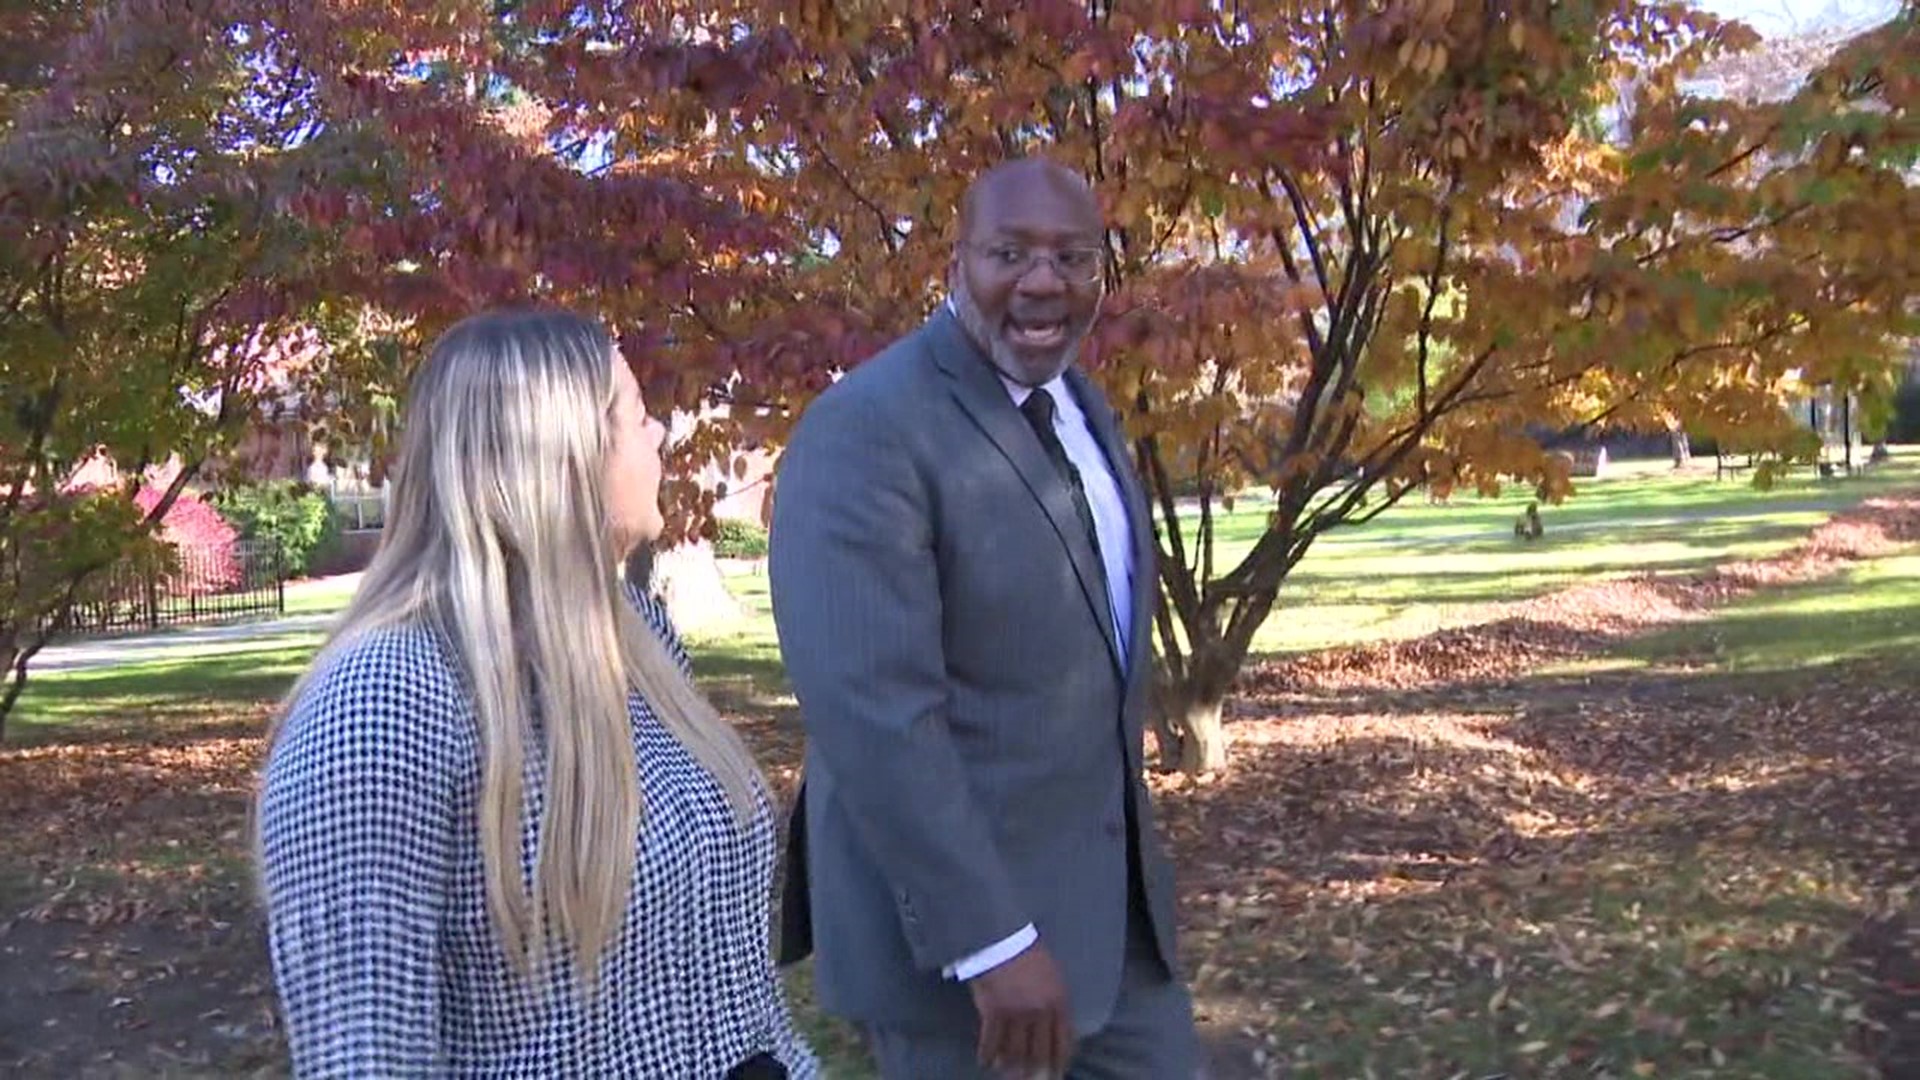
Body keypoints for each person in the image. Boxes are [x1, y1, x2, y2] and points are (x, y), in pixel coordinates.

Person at [255, 308, 816, 1079]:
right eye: (639, 417)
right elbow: (367, 1059)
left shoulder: (639, 642)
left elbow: (743, 1007)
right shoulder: (381, 702)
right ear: (561, 455)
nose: (659, 438)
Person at [769, 157, 1201, 1078]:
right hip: (966, 974)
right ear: (957, 263)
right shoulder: (867, 429)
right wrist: (992, 941)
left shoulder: (1083, 408)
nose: (1044, 281)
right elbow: (874, 714)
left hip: (1114, 944)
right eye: (1010, 253)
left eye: (1074, 258)